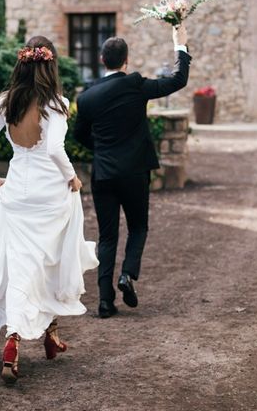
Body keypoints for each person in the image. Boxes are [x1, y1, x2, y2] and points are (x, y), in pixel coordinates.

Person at [0, 36, 98, 385]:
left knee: (21, 264)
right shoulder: (56, 103)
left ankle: (49, 335)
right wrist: (73, 177)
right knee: (52, 260)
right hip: (49, 194)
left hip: (16, 192)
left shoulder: (6, 101)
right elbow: (57, 150)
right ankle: (15, 336)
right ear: (50, 65)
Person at [74, 24, 191, 318]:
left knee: (108, 236)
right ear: (126, 60)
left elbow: (78, 135)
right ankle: (127, 275)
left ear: (102, 60)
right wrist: (181, 45)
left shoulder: (86, 97)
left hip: (104, 173)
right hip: (135, 172)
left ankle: (104, 301)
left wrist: (100, 150)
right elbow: (178, 79)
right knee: (138, 227)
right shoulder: (137, 85)